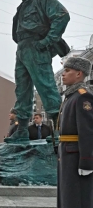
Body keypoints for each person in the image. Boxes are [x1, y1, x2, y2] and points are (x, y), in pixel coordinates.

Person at [6, 0, 70, 142]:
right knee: (22, 90)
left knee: (46, 86)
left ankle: (58, 130)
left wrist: (47, 41)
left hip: (36, 46)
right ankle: (21, 130)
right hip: (23, 47)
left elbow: (62, 16)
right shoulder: (25, 4)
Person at [57, 57, 93, 207]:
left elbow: (87, 131)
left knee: (77, 198)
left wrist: (86, 162)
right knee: (67, 198)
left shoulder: (82, 96)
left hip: (75, 155)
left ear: (79, 74)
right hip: (67, 154)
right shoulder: (71, 97)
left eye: (67, 71)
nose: (63, 74)